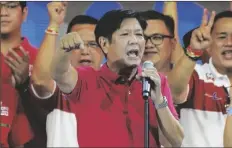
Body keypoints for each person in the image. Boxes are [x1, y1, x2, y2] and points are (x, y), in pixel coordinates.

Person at [45, 9, 183, 147]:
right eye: (125, 34)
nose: (134, 40)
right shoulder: (87, 80)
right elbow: (59, 73)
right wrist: (63, 50)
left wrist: (159, 100)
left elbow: (176, 142)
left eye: (139, 35)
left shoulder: (155, 82)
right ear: (104, 44)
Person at [167, 9, 232, 147]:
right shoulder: (196, 75)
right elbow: (171, 92)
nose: (229, 43)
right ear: (208, 46)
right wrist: (194, 50)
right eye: (222, 37)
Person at [1, 1, 38, 147]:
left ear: (24, 13)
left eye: (10, 5)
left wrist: (25, 84)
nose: (3, 13)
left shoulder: (41, 59)